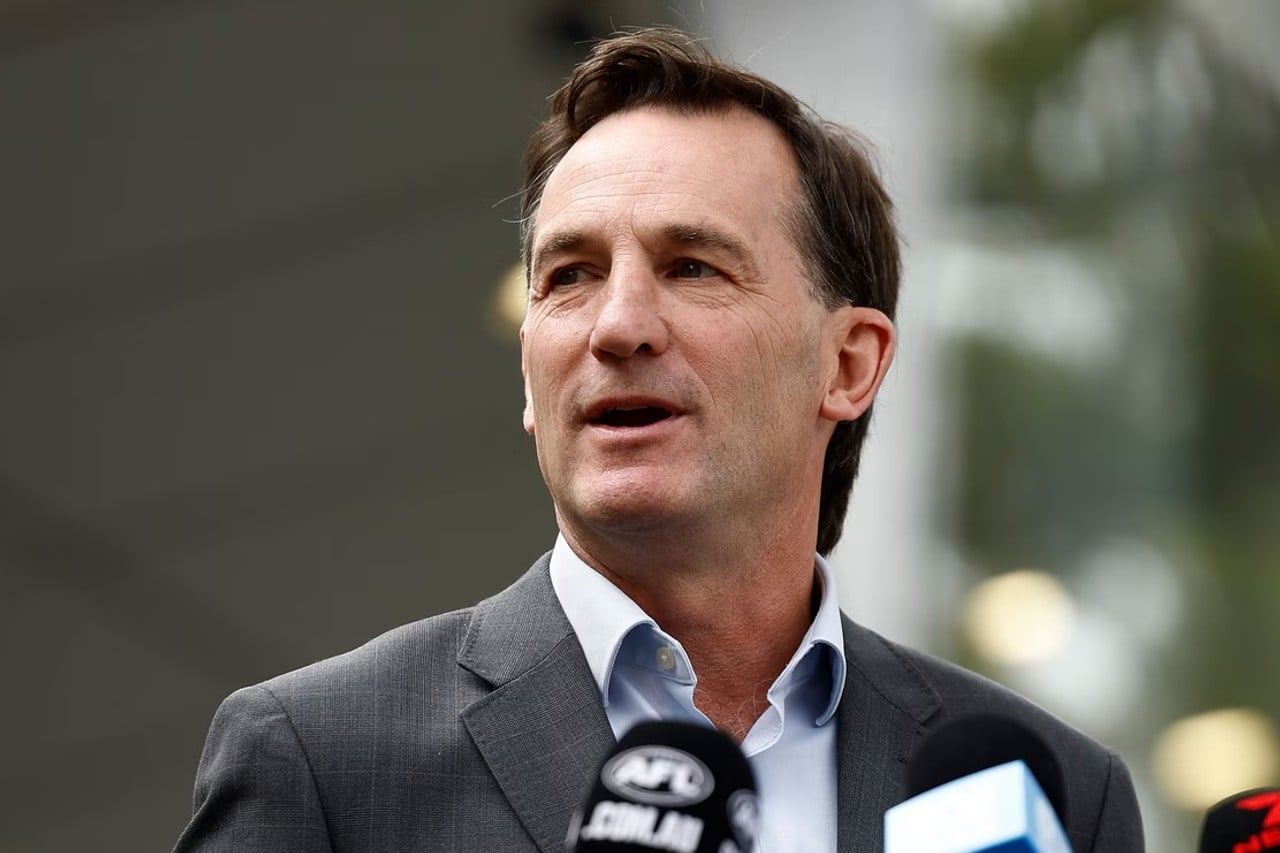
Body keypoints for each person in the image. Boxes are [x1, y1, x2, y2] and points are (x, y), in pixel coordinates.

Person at [174, 27, 1144, 852]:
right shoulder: (323, 759)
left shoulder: (1055, 796)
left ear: (847, 364)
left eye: (690, 267)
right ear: (528, 375)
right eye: (570, 276)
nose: (617, 326)